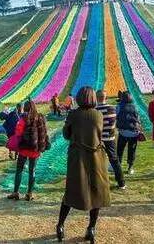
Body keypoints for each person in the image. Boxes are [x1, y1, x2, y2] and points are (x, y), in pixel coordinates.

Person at [56, 87, 110, 243]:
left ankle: (60, 225)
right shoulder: (98, 115)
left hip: (77, 157)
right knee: (96, 192)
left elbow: (66, 135)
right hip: (96, 156)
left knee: (71, 191)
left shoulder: (74, 114)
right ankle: (91, 228)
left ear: (79, 98)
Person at [7, 100, 49, 201]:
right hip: (35, 150)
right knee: (32, 171)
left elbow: (18, 133)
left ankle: (16, 192)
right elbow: (44, 132)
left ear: (25, 108)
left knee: (19, 170)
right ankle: (29, 193)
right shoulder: (40, 118)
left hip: (24, 149)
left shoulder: (23, 119)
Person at [96, 90, 125, 189]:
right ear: (106, 97)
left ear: (96, 98)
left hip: (98, 139)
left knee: (98, 161)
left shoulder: (94, 110)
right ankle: (121, 183)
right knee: (114, 160)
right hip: (110, 138)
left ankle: (100, 183)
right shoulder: (112, 109)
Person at [115, 92, 141, 175]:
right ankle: (130, 167)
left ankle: (118, 167)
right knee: (132, 150)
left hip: (123, 132)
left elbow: (116, 116)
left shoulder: (119, 106)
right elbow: (138, 118)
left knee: (120, 149)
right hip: (134, 132)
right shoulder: (135, 106)